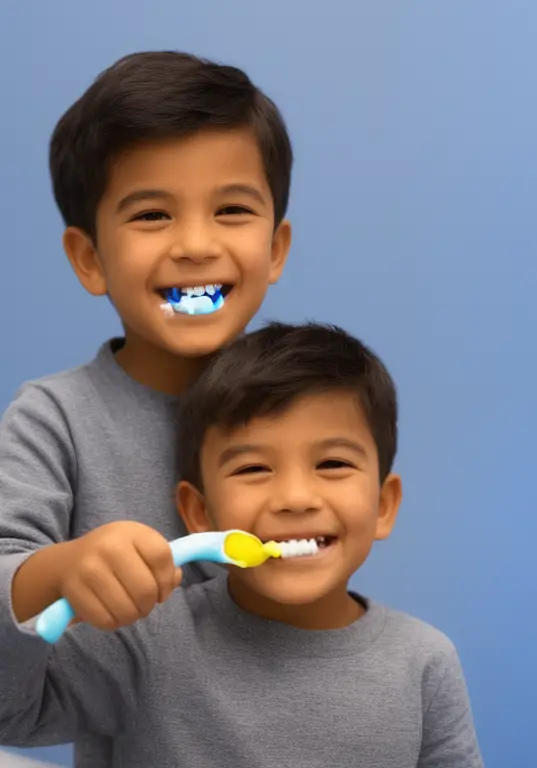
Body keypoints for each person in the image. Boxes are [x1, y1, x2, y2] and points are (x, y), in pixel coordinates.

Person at [0, 322, 484, 768]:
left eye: (333, 464)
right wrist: (55, 574)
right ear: (199, 515)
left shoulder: (425, 662)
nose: (295, 498)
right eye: (253, 469)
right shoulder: (145, 642)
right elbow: (11, 712)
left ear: (383, 505)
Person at [0, 51, 293, 766]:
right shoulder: (54, 421)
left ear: (276, 246)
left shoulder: (307, 402)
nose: (196, 245)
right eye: (153, 214)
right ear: (90, 258)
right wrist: (62, 570)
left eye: (231, 209)